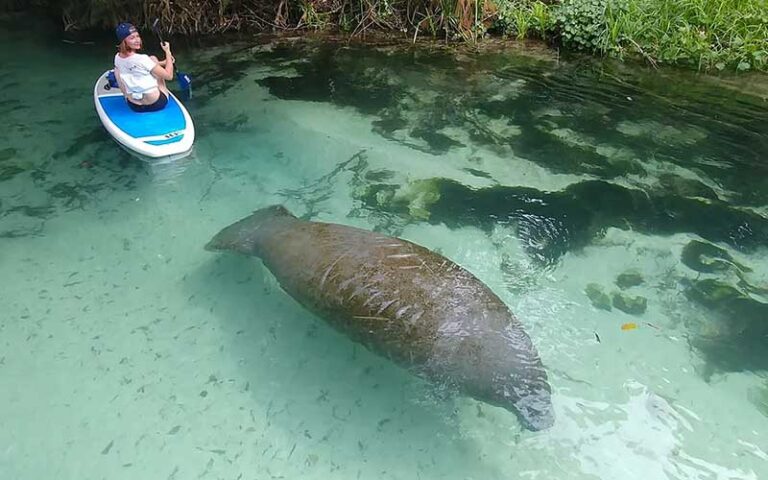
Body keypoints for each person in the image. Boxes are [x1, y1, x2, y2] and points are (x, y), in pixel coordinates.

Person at [113, 22, 174, 113]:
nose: (137, 40)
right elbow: (169, 76)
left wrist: (163, 62)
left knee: (116, 70)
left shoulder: (117, 58)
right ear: (123, 41)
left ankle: (126, 96)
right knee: (153, 58)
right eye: (132, 38)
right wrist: (168, 52)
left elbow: (136, 66)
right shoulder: (143, 59)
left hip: (134, 105)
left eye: (137, 36)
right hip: (156, 104)